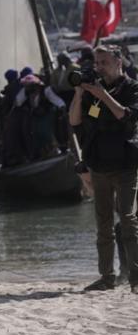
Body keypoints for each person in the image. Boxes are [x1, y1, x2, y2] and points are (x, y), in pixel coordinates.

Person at [68, 45, 138, 293]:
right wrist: (79, 93)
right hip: (98, 164)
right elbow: (74, 121)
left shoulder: (132, 87)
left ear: (119, 63)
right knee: (103, 224)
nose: (98, 68)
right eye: (97, 63)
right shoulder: (93, 91)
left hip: (126, 163)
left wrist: (103, 94)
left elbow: (125, 115)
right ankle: (107, 277)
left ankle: (135, 278)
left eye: (104, 63)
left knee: (129, 220)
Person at [13, 75, 65, 161]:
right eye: (26, 86)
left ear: (35, 85)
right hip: (37, 117)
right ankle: (43, 153)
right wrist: (24, 92)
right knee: (35, 133)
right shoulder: (27, 92)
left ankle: (56, 149)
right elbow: (17, 102)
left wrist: (62, 108)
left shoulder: (46, 90)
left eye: (28, 85)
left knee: (46, 132)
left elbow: (58, 101)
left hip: (48, 115)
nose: (26, 87)